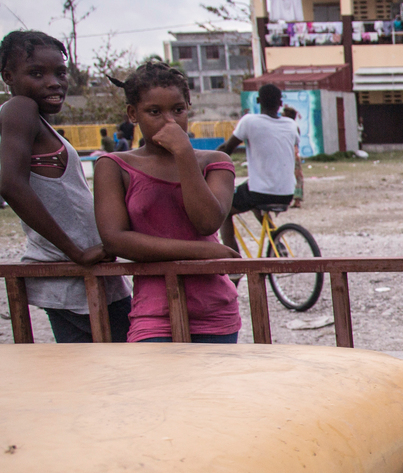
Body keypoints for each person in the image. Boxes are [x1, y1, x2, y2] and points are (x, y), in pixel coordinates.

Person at [93, 61, 242, 343]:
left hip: (214, 309)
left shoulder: (215, 162)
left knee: (212, 388)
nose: (169, 121)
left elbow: (207, 222)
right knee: (158, 386)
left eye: (178, 110)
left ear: (188, 107)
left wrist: (184, 154)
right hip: (153, 312)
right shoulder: (114, 166)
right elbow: (115, 239)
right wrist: (204, 252)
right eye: (154, 112)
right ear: (133, 114)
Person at [0, 30, 132, 342]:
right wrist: (75, 251)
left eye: (60, 72)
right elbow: (9, 183)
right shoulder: (20, 108)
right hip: (74, 274)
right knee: (116, 375)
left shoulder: (37, 121)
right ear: (8, 76)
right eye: (36, 73)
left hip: (85, 272)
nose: (54, 82)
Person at [218, 83, 303, 249]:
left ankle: (234, 267)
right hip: (287, 193)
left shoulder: (249, 121)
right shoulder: (291, 125)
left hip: (260, 192)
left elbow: (227, 149)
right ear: (280, 103)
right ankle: (277, 243)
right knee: (254, 199)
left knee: (224, 211)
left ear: (258, 100)